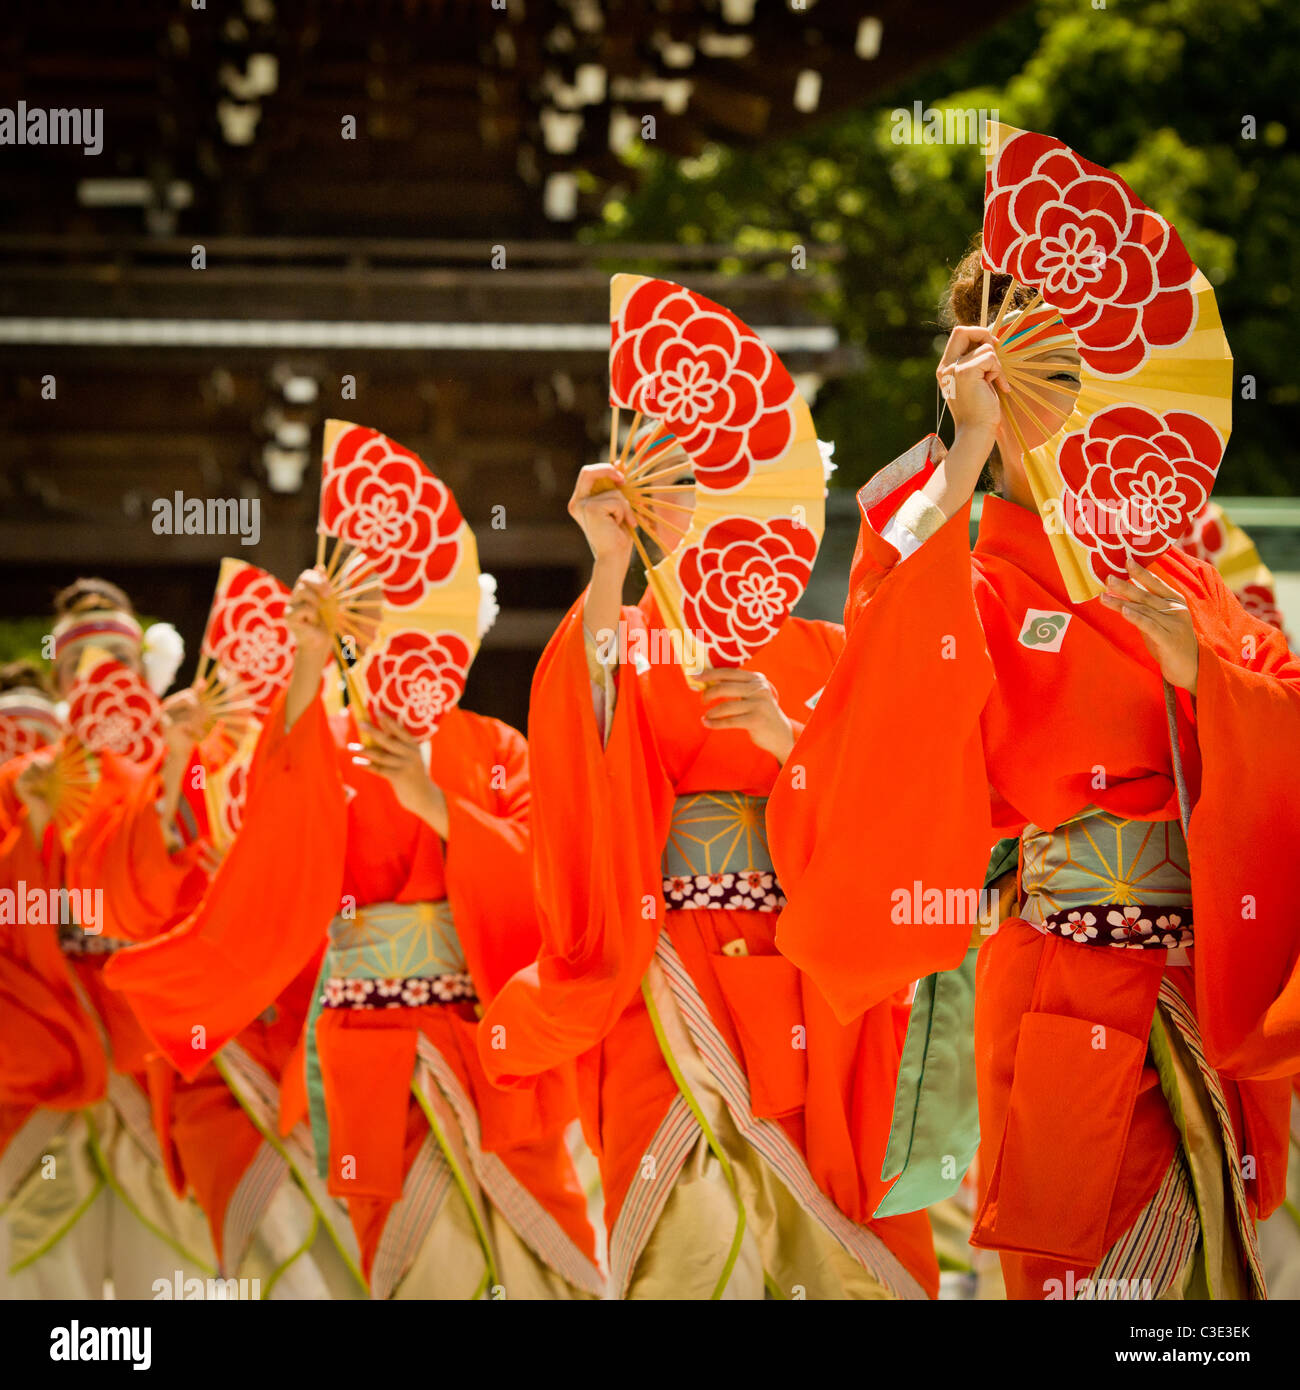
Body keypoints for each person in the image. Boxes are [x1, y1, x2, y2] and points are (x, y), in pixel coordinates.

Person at [767, 244, 1300, 1300]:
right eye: (1038, 369)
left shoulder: (1179, 570)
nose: (1070, 399)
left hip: (1201, 979)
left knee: (1209, 1289)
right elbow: (884, 705)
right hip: (1063, 981)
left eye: (1088, 365)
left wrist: (1203, 674)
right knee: (1082, 1267)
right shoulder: (970, 568)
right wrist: (955, 456)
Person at [478, 457, 939, 1300]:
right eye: (682, 484)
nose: (704, 506)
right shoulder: (632, 633)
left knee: (817, 1246)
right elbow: (577, 750)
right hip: (662, 972)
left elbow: (893, 817)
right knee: (682, 1246)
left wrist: (787, 739)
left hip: (798, 977)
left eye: (730, 482)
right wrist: (608, 566)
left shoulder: (828, 650)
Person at [112, 563, 604, 1299]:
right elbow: (283, 825)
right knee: (417, 1258)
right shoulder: (334, 738)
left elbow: (549, 874)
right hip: (371, 1042)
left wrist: (433, 802)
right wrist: (307, 655)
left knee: (543, 1255)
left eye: (441, 631)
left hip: (482, 1037)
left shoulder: (498, 748)